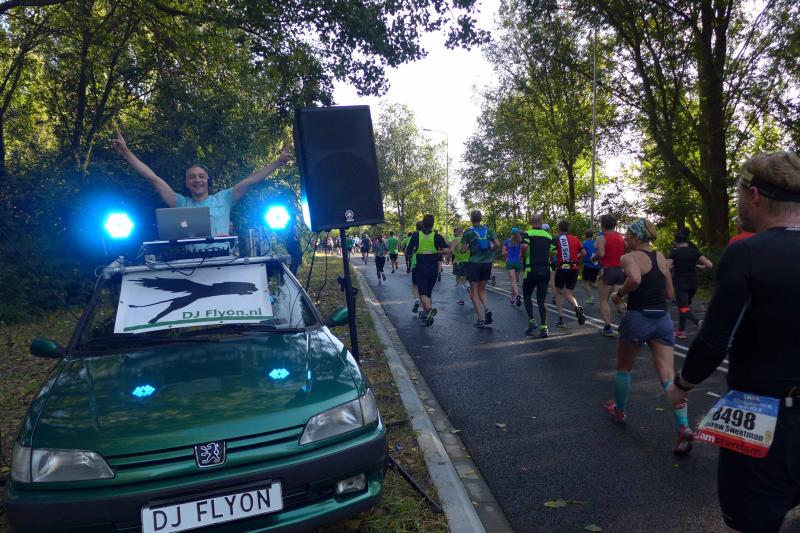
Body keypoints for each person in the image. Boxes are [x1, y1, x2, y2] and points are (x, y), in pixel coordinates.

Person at [668, 152, 800, 532]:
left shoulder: (746, 252)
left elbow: (715, 340)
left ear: (754, 195)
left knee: (753, 521)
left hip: (764, 416)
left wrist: (682, 385)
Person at [603, 218, 692, 455]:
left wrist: (619, 295)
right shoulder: (660, 257)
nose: (625, 238)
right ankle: (683, 426)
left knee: (624, 368)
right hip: (661, 319)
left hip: (638, 318)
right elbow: (670, 293)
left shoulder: (629, 258)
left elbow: (635, 279)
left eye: (627, 235)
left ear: (635, 237)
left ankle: (619, 410)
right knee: (668, 376)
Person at [112, 129, 291, 239]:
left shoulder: (224, 198)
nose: (197, 180)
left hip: (225, 261)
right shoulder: (180, 203)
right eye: (192, 177)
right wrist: (126, 153)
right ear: (187, 183)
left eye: (201, 176)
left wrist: (278, 162)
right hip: (191, 266)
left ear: (207, 180)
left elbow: (251, 180)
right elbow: (154, 179)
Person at [668, 229, 713, 339]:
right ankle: (681, 331)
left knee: (683, 307)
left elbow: (666, 267)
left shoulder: (674, 252)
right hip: (693, 283)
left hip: (681, 283)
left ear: (676, 241)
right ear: (687, 240)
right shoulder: (694, 252)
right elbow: (709, 265)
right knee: (684, 307)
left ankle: (699, 322)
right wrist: (700, 266)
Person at [405, 215, 450, 326]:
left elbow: (408, 251)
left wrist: (413, 253)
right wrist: (439, 252)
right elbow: (446, 250)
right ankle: (425, 317)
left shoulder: (416, 236)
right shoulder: (437, 236)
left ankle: (429, 310)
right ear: (433, 224)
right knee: (428, 293)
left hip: (421, 267)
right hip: (433, 268)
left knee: (422, 293)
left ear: (423, 223)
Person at [461, 210, 500, 328]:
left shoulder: (468, 232)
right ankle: (487, 309)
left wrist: (467, 248)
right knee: (482, 288)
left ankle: (481, 319)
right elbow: (497, 244)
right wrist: (490, 251)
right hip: (487, 263)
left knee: (474, 292)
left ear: (471, 219)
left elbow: (463, 250)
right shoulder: (489, 230)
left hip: (474, 263)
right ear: (481, 218)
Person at [521, 214, 554, 338]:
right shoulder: (549, 236)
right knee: (541, 300)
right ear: (542, 222)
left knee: (527, 296)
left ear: (531, 222)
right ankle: (544, 327)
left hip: (531, 269)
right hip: (545, 270)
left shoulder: (527, 233)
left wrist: (523, 255)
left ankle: (531, 321)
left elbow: (524, 246)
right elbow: (554, 251)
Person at [595, 214, 627, 336]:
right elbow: (627, 247)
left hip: (607, 270)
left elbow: (601, 254)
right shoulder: (621, 237)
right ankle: (629, 323)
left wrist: (593, 258)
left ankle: (608, 327)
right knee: (617, 299)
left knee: (603, 301)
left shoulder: (601, 238)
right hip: (619, 271)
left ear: (602, 224)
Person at [553, 220, 587, 328]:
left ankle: (561, 319)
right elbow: (584, 253)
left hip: (562, 268)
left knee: (559, 294)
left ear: (559, 228)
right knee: (569, 294)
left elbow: (553, 252)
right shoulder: (575, 238)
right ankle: (577, 308)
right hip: (574, 268)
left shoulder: (557, 239)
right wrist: (576, 257)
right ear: (568, 228)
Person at [503, 228, 524, 306]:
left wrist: (509, 251)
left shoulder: (506, 241)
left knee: (513, 282)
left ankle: (517, 295)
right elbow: (522, 252)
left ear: (511, 233)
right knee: (516, 281)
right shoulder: (520, 241)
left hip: (510, 262)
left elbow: (503, 253)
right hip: (518, 262)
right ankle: (512, 298)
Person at [449, 227, 470, 305]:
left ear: (457, 232)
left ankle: (461, 300)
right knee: (465, 280)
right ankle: (470, 292)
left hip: (458, 262)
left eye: (455, 232)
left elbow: (451, 250)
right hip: (468, 262)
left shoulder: (455, 240)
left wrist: (448, 258)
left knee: (458, 281)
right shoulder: (468, 240)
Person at [581, 229, 601, 304]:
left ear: (585, 235)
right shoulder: (596, 243)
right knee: (593, 282)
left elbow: (584, 253)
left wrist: (580, 257)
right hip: (596, 266)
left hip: (588, 265)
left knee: (585, 282)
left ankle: (591, 298)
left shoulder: (584, 244)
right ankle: (603, 291)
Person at [409, 221, 424, 316]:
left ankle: (417, 300)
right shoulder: (430, 236)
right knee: (424, 288)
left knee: (415, 285)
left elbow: (408, 250)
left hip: (415, 262)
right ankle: (422, 310)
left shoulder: (414, 236)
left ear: (416, 227)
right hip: (428, 264)